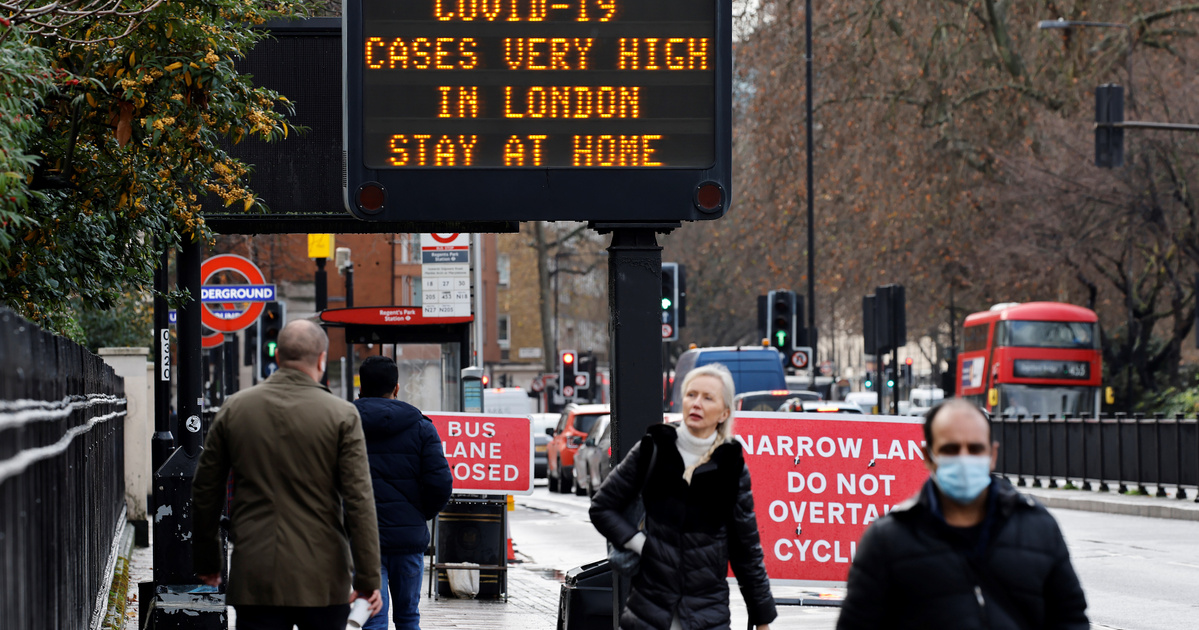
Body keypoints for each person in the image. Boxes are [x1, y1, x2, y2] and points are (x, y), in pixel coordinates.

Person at [192, 319, 382, 630]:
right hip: (323, 577)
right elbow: (359, 501)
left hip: (255, 573)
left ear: (277, 357)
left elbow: (205, 491)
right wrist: (367, 579)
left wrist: (208, 562)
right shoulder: (342, 415)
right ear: (322, 359)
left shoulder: (235, 408)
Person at [836, 398, 1089, 629]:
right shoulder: (887, 539)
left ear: (993, 455)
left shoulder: (1038, 527)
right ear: (928, 456)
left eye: (975, 449)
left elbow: (1070, 620)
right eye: (951, 449)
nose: (964, 459)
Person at [590, 364, 776, 630]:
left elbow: (746, 549)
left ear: (724, 413)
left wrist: (762, 619)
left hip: (707, 616)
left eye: (707, 398)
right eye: (691, 394)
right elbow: (602, 508)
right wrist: (640, 543)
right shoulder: (653, 449)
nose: (696, 403)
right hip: (648, 613)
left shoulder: (730, 466)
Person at [354, 355, 453, 630]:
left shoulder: (343, 425)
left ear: (360, 389)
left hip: (362, 541)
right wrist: (419, 513)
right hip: (408, 540)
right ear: (396, 388)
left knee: (372, 619)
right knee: (409, 618)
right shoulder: (421, 427)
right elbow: (441, 483)